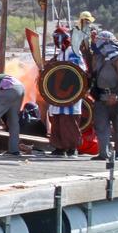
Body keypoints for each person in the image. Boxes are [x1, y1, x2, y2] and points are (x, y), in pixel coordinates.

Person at [89, 30, 118, 160]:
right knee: (101, 125)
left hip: (116, 96)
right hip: (101, 96)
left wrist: (115, 94)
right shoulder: (99, 56)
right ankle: (103, 153)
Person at [47, 26, 84, 157]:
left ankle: (72, 148)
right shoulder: (61, 54)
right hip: (58, 95)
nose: (56, 40)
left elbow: (76, 70)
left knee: (69, 122)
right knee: (56, 120)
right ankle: (59, 147)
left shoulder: (72, 51)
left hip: (70, 94)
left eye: (57, 37)